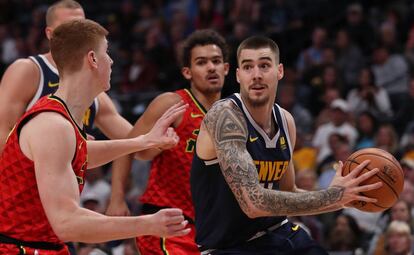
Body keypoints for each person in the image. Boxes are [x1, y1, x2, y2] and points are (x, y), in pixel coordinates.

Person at [0, 19, 190, 255]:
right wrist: (148, 224)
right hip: (20, 249)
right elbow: (67, 223)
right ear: (92, 59)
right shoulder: (53, 126)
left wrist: (143, 141)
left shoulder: (63, 117)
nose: (111, 61)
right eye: (106, 52)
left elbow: (80, 153)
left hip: (43, 246)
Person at [190, 36, 382, 254]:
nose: (256, 75)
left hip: (279, 233)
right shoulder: (225, 116)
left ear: (279, 71)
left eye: (264, 65)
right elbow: (254, 203)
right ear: (238, 75)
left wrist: (343, 197)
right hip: (228, 247)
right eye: (247, 67)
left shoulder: (286, 121)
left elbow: (289, 191)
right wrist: (333, 197)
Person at [107, 29, 229, 254]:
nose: (211, 67)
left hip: (207, 229)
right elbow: (127, 147)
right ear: (187, 72)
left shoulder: (232, 117)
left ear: (226, 68)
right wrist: (117, 198)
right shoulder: (173, 104)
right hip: (166, 221)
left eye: (216, 61)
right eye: (201, 62)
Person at [0, 0, 133, 153]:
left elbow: (135, 143)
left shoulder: (95, 91)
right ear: (50, 34)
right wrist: (62, 143)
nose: (78, 34)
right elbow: (4, 135)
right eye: (69, 27)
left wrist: (159, 118)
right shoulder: (28, 70)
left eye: (82, 26)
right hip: (28, 175)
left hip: (68, 176)